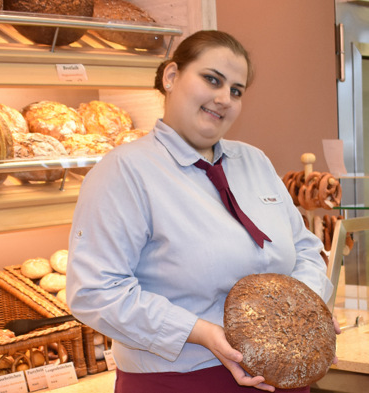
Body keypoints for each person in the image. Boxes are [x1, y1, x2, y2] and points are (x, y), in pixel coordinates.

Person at [66, 30, 340, 393]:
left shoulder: (254, 161)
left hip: (284, 381)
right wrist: (200, 333)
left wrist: (301, 311)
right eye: (212, 79)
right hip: (182, 382)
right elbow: (95, 292)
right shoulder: (124, 172)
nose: (224, 98)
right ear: (171, 77)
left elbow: (304, 247)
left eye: (237, 91)